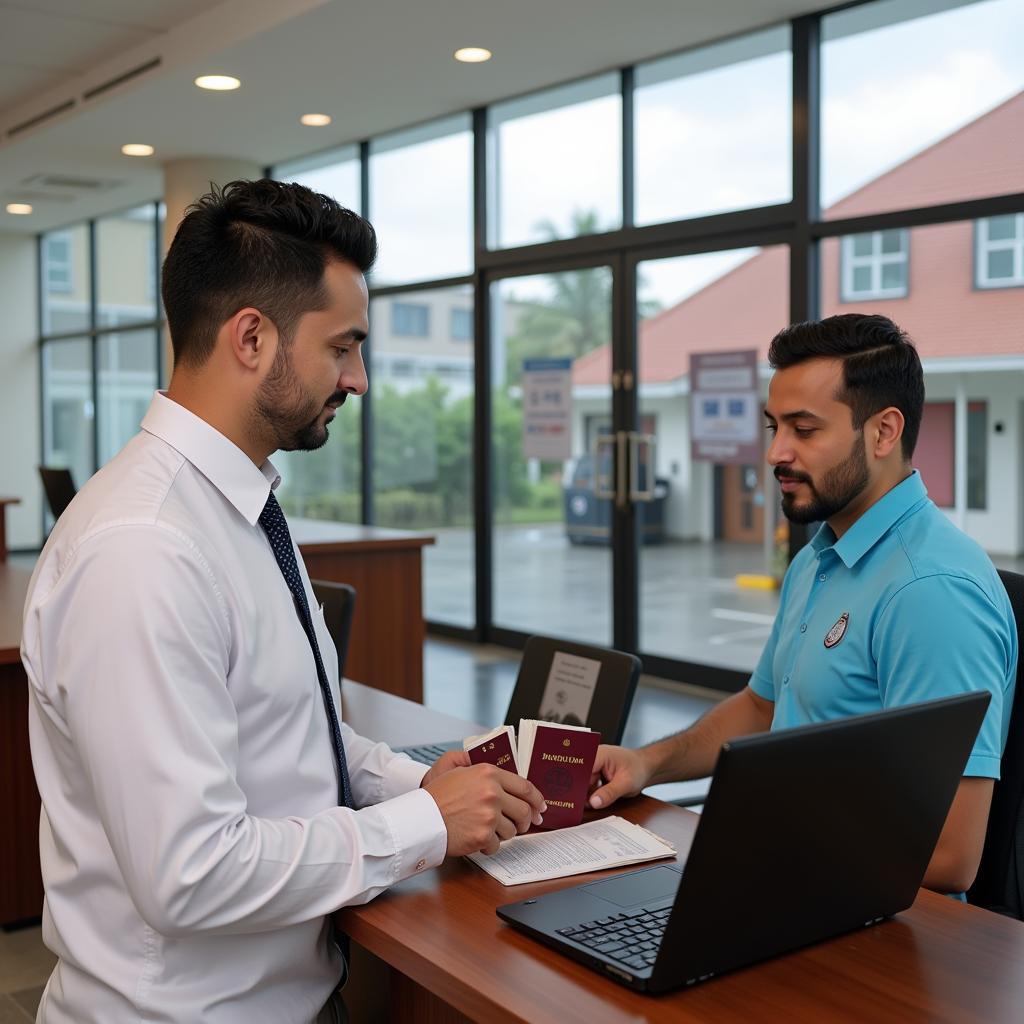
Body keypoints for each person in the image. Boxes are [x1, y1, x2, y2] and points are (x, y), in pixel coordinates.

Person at [22, 179, 545, 1024]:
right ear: (253, 338)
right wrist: (421, 825)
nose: (361, 379)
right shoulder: (144, 549)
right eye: (343, 347)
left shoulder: (238, 505)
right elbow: (190, 874)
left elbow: (282, 728)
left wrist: (411, 782)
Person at [588, 314, 1016, 895]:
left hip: (874, 932)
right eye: (774, 427)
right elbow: (762, 710)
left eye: (804, 429)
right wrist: (647, 763)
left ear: (884, 432)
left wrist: (765, 837)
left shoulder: (930, 593)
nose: (776, 453)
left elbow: (949, 854)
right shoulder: (821, 556)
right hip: (795, 878)